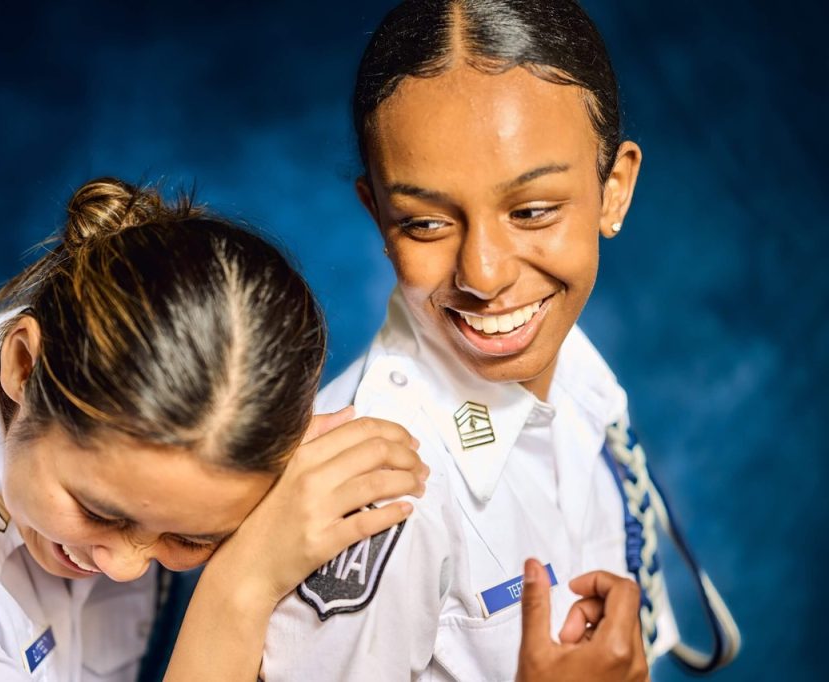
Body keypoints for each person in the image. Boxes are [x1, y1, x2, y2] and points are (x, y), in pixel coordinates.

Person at [260, 1, 741, 680]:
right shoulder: (377, 500)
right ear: (377, 215)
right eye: (425, 224)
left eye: (533, 211)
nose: (483, 274)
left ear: (614, 191)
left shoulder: (581, 378)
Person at [0, 177, 428, 680]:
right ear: (24, 368)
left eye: (189, 539)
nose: (128, 566)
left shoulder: (152, 443)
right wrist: (240, 589)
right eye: (101, 512)